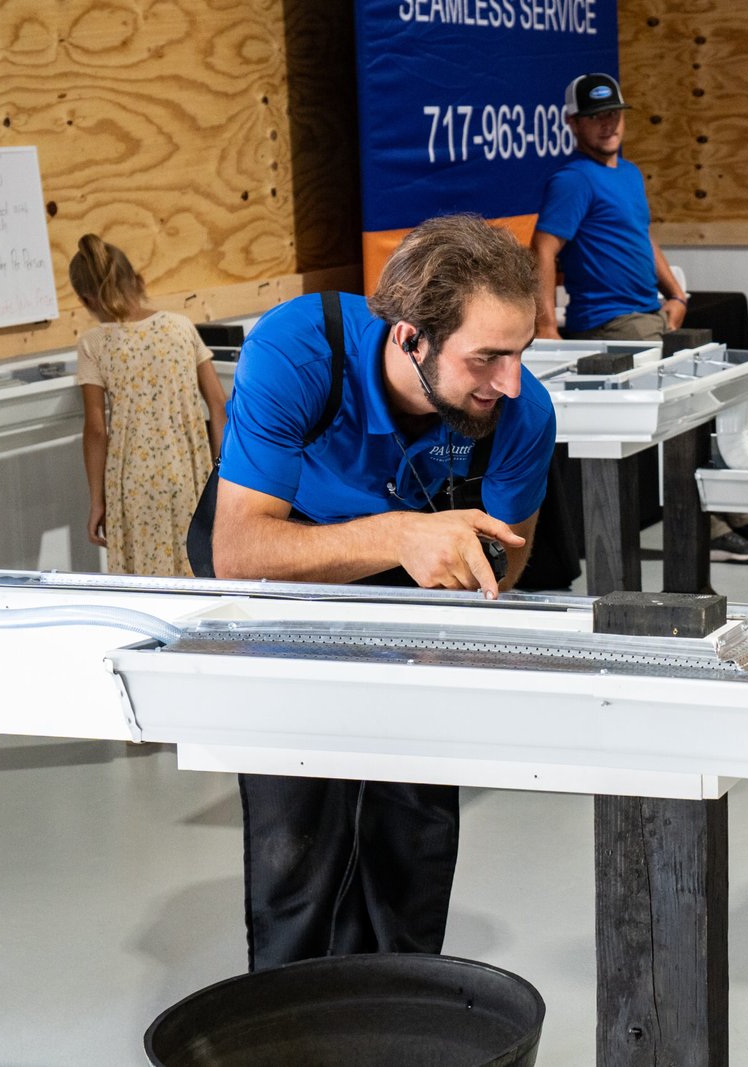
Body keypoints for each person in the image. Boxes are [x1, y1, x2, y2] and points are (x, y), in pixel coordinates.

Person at [206, 213, 556, 970]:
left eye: (521, 352)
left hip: (420, 579)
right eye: (487, 357)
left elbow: (501, 567)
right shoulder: (298, 351)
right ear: (409, 338)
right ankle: (291, 1025)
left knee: (414, 835)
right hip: (284, 569)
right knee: (295, 843)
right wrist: (396, 535)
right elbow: (237, 550)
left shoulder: (521, 412)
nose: (512, 381)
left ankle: (397, 1013)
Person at [531, 72, 748, 565]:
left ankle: (735, 512)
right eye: (594, 117)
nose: (608, 124)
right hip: (614, 325)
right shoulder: (571, 180)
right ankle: (716, 527)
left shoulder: (628, 174)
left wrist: (677, 293)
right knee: (688, 410)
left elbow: (642, 238)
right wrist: (547, 330)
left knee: (719, 397)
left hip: (649, 316)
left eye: (613, 113)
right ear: (572, 123)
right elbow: (544, 250)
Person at [69, 234, 227, 577]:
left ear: (86, 299)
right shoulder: (181, 327)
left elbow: (96, 429)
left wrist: (97, 500)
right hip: (190, 474)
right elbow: (218, 405)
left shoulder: (94, 344)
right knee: (196, 571)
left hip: (133, 486)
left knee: (147, 584)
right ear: (136, 280)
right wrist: (222, 479)